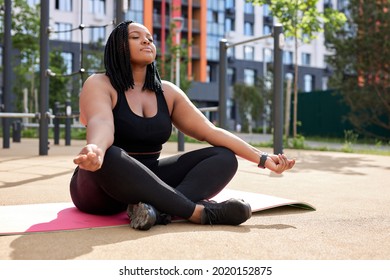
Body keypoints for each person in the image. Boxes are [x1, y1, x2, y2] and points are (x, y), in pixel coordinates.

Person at [70, 21, 295, 231]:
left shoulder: (167, 92)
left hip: (151, 179)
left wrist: (263, 159)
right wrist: (96, 149)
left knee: (224, 157)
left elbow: (210, 131)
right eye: (136, 37)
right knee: (112, 154)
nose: (147, 41)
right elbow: (102, 123)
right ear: (118, 46)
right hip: (102, 186)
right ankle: (197, 213)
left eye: (149, 37)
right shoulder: (100, 83)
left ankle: (155, 211)